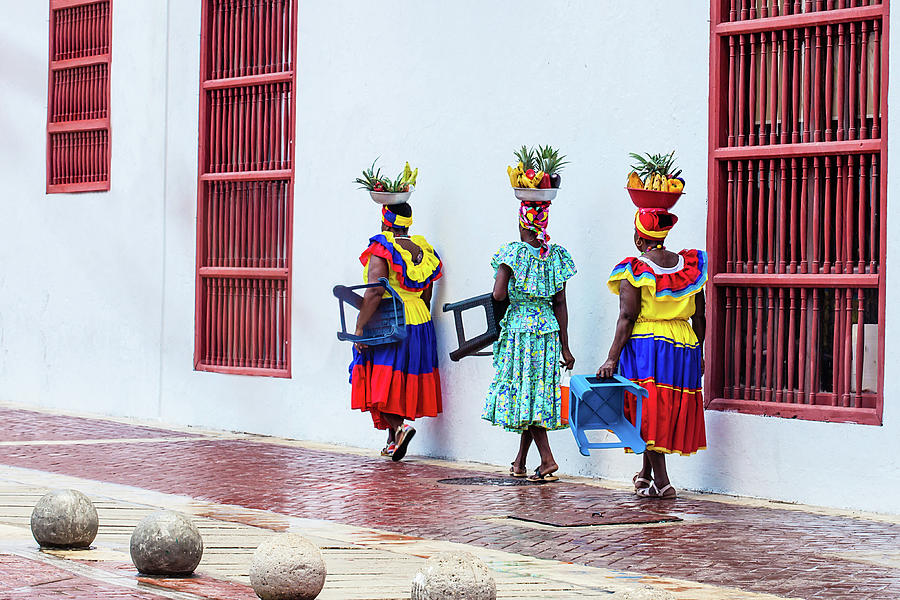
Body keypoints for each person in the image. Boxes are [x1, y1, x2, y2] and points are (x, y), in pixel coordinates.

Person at [598, 208, 707, 499]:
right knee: (664, 408)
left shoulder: (634, 269)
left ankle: (663, 481)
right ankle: (645, 474)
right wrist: (700, 352)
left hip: (648, 343)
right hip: (684, 343)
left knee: (647, 411)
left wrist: (611, 357)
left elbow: (627, 316)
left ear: (638, 238)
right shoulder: (690, 266)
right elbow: (701, 315)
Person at [483, 201, 576, 482]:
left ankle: (547, 460)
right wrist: (566, 347)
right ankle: (520, 461)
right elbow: (560, 303)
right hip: (547, 331)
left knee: (526, 393)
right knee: (535, 393)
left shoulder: (513, 253)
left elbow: (498, 295)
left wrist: (514, 290)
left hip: (521, 331)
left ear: (523, 222)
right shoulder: (555, 256)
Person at [350, 203, 443, 461]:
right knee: (399, 378)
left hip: (391, 319)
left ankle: (401, 428)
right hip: (419, 319)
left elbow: (375, 292)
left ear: (384, 221)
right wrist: (419, 319)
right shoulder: (422, 249)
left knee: (377, 378)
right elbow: (427, 290)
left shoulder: (382, 248)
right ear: (407, 223)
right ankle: (392, 440)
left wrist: (360, 327)